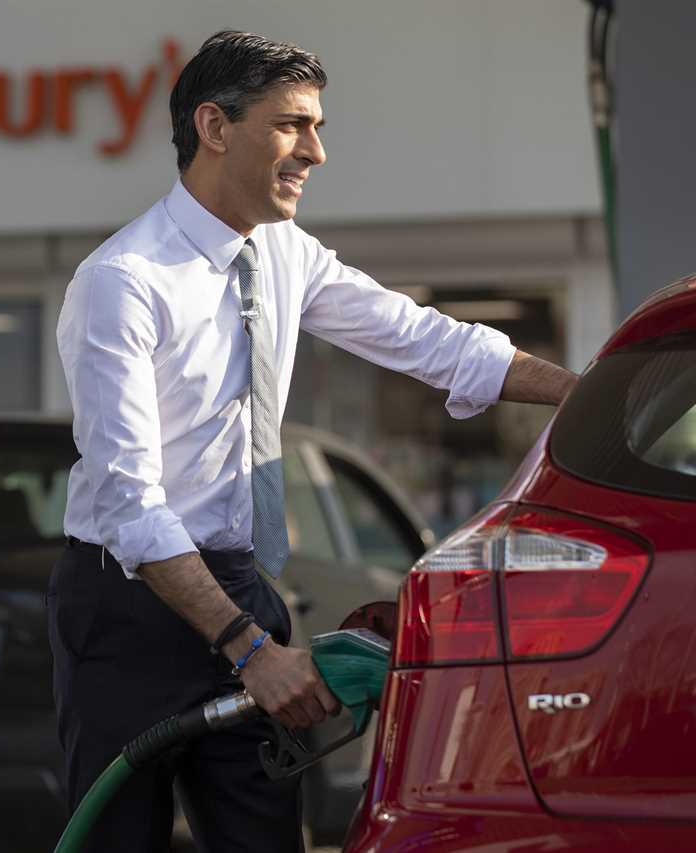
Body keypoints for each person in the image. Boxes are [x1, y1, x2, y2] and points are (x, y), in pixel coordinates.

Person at [49, 30, 577, 852]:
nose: (317, 151)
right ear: (216, 127)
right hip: (129, 611)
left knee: (266, 839)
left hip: (238, 582)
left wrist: (595, 395)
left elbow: (429, 340)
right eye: (294, 124)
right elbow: (130, 505)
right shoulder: (125, 282)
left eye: (318, 126)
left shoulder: (285, 254)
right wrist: (251, 649)